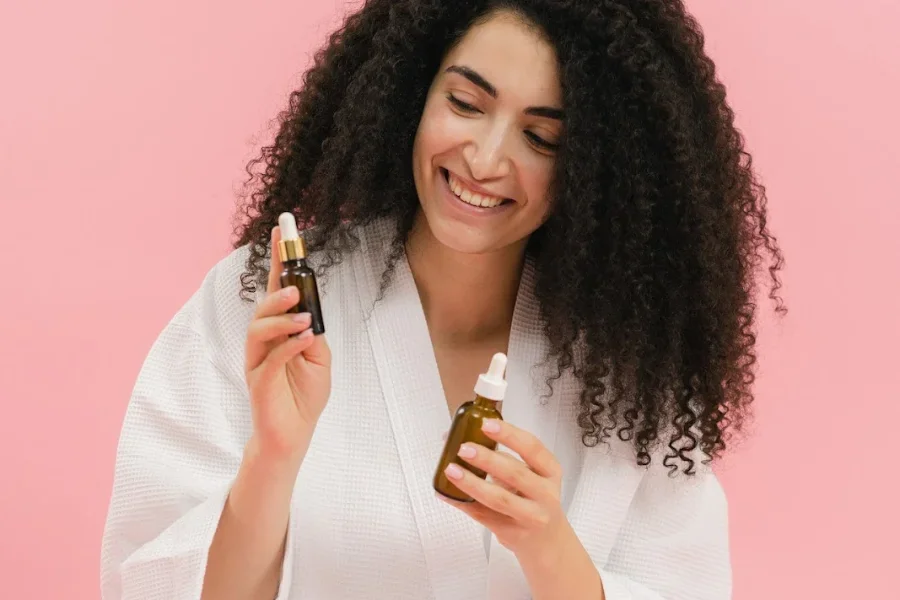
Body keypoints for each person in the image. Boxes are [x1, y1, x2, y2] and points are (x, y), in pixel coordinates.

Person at [99, 1, 785, 599]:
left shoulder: (627, 373)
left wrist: (549, 546)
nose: (486, 160)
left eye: (541, 137)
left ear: (597, 170)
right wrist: (272, 458)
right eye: (465, 103)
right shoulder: (265, 301)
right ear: (410, 94)